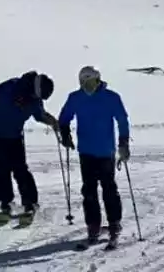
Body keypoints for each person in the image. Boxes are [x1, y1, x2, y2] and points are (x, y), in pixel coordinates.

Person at [58, 66, 131, 247]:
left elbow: (122, 120)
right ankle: (93, 225)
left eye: (90, 82)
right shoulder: (75, 98)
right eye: (83, 83)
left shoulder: (111, 97)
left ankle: (114, 223)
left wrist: (123, 144)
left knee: (109, 189)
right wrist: (65, 135)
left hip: (106, 151)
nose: (87, 86)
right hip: (86, 152)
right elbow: (64, 118)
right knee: (89, 191)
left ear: (98, 80)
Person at [0, 71, 58, 224]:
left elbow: (40, 115)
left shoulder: (35, 100)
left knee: (20, 169)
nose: (38, 99)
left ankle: (30, 203)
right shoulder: (13, 86)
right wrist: (18, 93)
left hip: (14, 136)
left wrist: (55, 123)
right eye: (39, 95)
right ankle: (6, 203)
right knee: (2, 169)